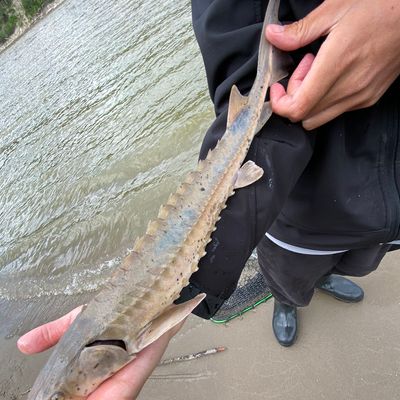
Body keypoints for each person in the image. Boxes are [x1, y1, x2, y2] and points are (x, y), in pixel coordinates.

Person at [18, 0, 400, 397]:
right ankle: (288, 301)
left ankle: (323, 280)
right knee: (290, 275)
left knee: (360, 260)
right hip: (297, 209)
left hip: (384, 215)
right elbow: (244, 56)